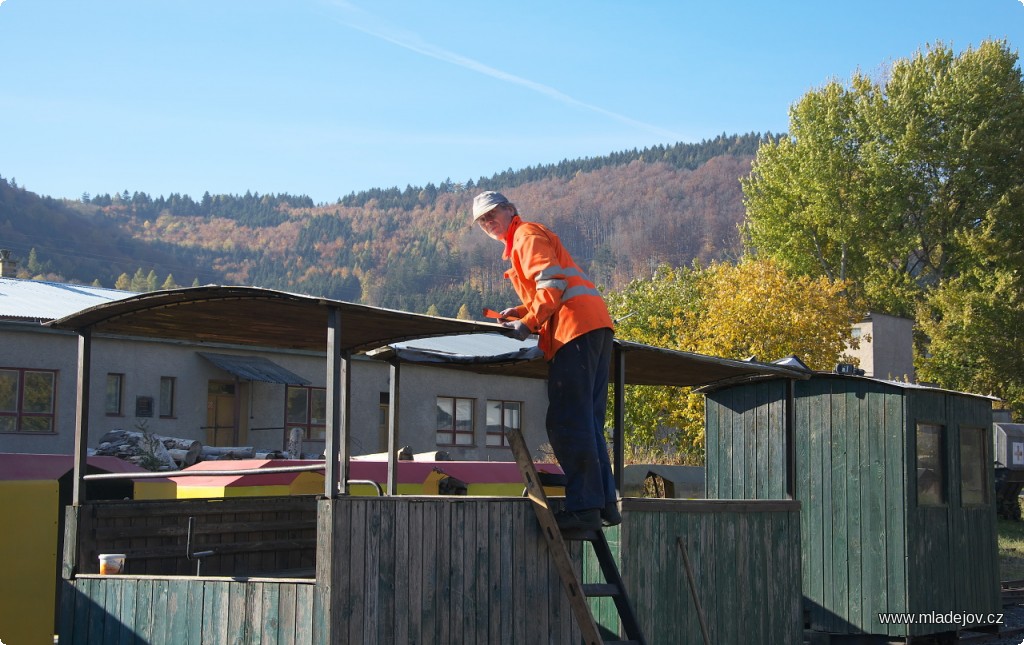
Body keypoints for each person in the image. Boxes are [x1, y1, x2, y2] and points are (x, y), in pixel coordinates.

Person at [471, 190, 620, 531]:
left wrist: (527, 324)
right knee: (587, 422)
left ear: (511, 210)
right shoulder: (527, 237)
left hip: (574, 330)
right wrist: (522, 310)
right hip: (593, 327)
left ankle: (584, 510)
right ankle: (604, 504)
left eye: (493, 214)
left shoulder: (525, 235)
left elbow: (552, 283)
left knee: (568, 421)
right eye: (482, 220)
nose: (488, 222)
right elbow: (555, 284)